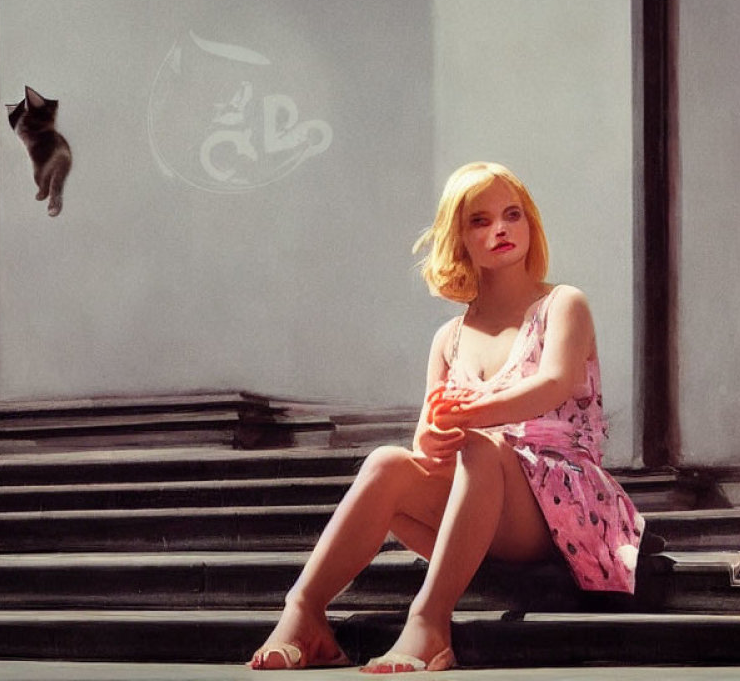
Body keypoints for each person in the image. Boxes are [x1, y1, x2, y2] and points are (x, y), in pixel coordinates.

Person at [248, 161, 645, 673]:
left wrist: (473, 415)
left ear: (530, 224)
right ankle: (303, 614)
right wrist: (436, 436)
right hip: (479, 496)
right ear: (458, 238)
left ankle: (430, 622)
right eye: (480, 221)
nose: (500, 228)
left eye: (512, 214)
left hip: (561, 502)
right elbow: (424, 447)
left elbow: (555, 384)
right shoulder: (449, 338)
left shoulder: (563, 304)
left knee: (481, 445)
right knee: (388, 463)